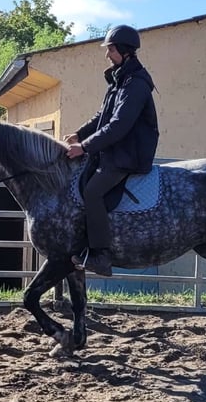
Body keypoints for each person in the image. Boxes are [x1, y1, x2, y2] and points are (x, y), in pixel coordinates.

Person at [64, 24, 159, 277]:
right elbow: (102, 115)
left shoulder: (136, 84)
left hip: (127, 155)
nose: (107, 54)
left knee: (93, 193)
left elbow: (118, 125)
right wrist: (79, 133)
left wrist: (83, 147)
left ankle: (101, 256)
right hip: (115, 151)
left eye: (110, 49)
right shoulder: (121, 79)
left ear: (124, 51)